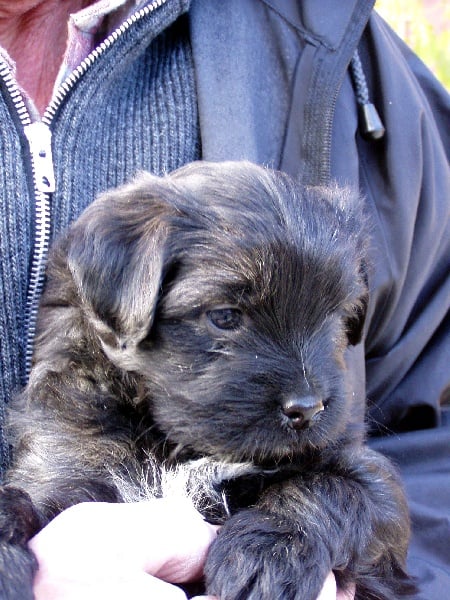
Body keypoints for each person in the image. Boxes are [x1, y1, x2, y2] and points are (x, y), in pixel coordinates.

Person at [0, 1, 448, 599]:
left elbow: (415, 456)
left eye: (331, 318)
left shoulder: (333, 30)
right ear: (121, 304)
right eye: (227, 319)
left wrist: (323, 553)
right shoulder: (78, 426)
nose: (305, 395)